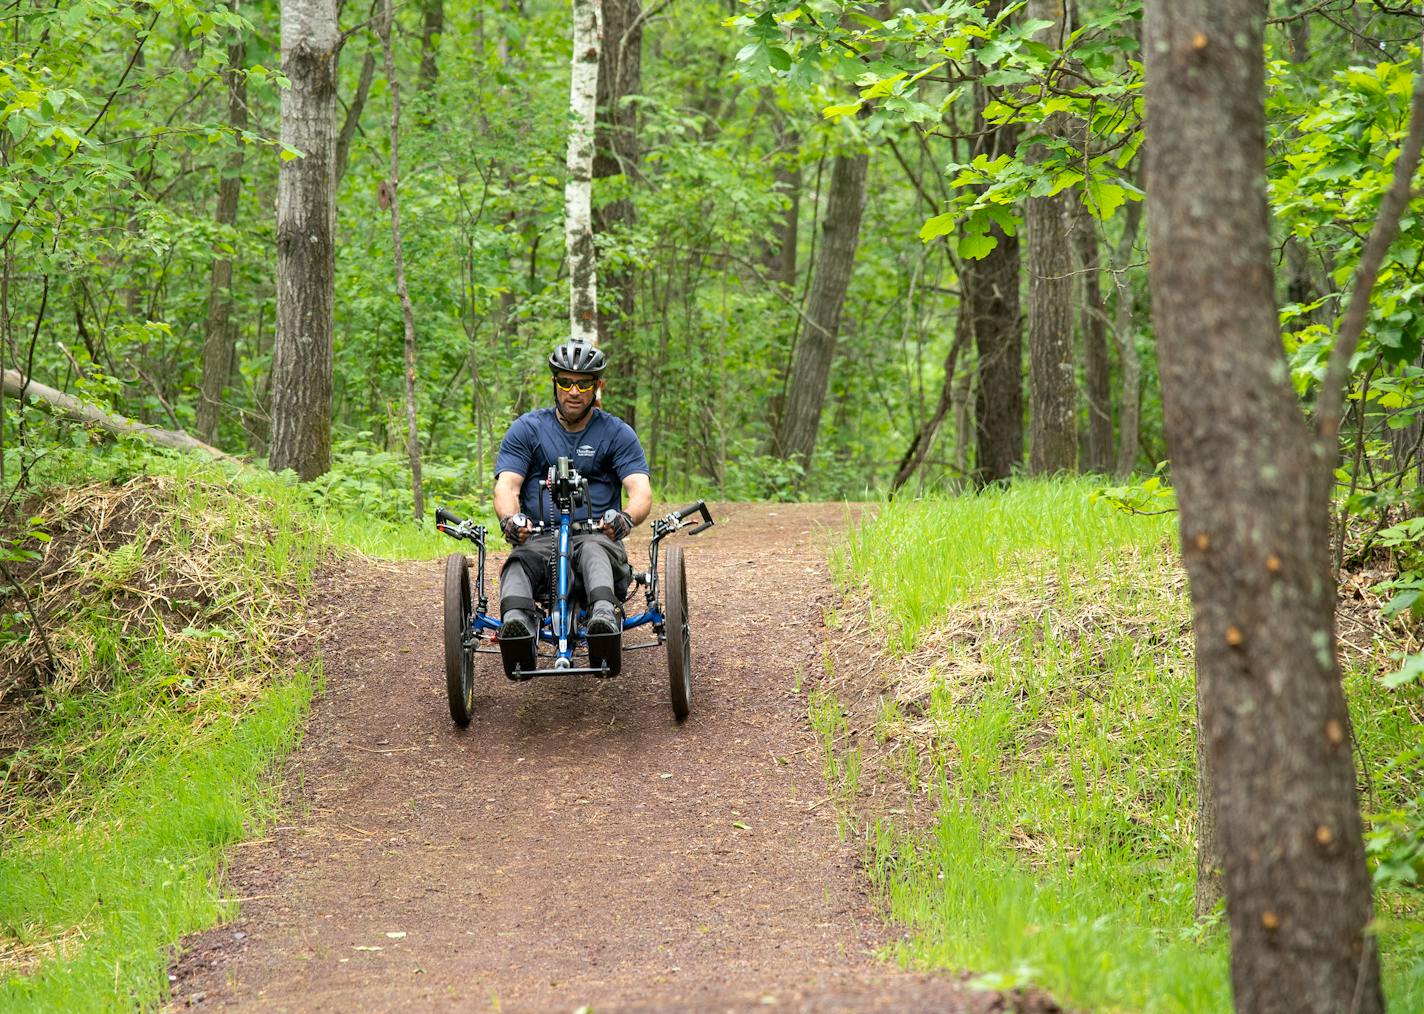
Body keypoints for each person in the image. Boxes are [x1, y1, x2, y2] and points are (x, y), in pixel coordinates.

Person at [493, 339, 652, 671]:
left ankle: (604, 621)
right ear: (554, 383)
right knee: (517, 563)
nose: (574, 391)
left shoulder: (616, 433)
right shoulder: (528, 429)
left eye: (583, 384)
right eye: (566, 382)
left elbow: (641, 493)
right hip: (541, 540)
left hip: (597, 539)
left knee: (594, 550)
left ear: (598, 386)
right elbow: (507, 485)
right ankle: (517, 628)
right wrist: (510, 519)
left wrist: (624, 519)